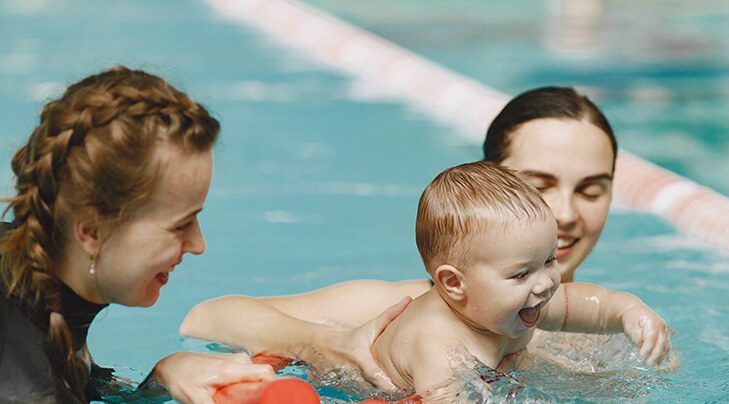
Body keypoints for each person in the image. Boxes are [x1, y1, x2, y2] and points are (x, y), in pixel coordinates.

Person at [180, 87, 639, 376]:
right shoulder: (405, 311)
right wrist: (329, 344)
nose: (565, 213)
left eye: (592, 191)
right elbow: (206, 318)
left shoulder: (614, 331)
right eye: (538, 186)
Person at [0, 66, 281, 404]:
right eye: (181, 224)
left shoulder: (28, 272)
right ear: (92, 231)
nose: (198, 245)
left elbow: (80, 388)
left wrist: (163, 377)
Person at [371, 161, 669, 396]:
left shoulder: (518, 302)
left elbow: (583, 306)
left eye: (550, 260)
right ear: (454, 283)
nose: (546, 283)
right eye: (522, 273)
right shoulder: (437, 345)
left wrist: (628, 311)